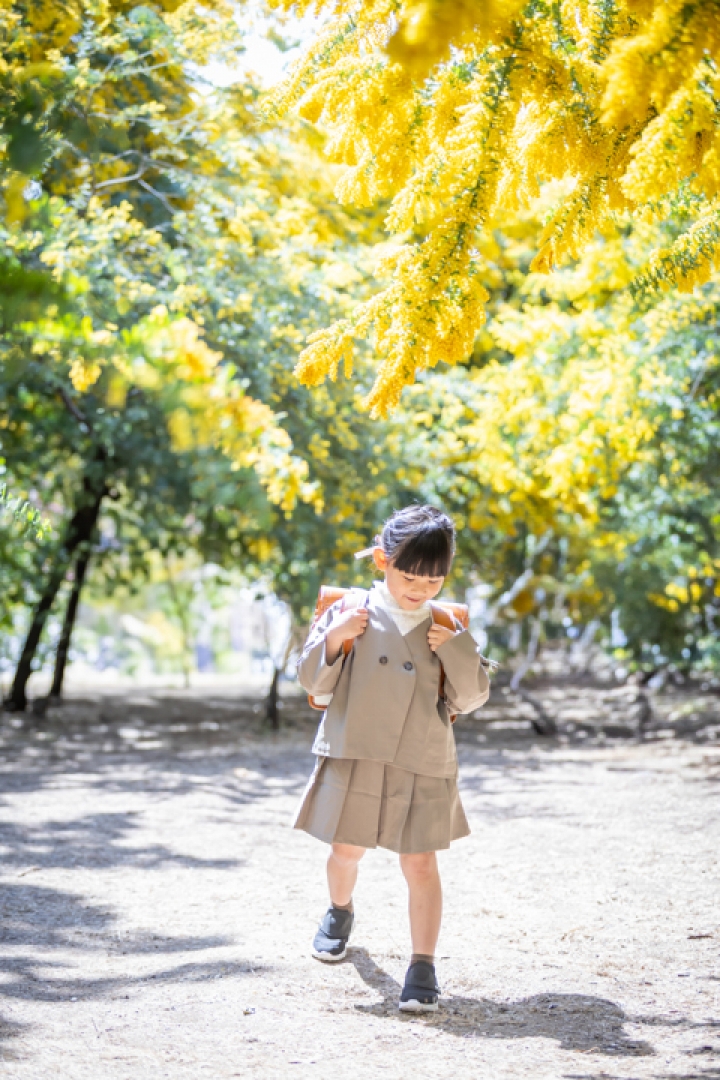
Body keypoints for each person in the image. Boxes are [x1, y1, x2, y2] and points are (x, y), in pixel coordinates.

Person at [294, 504, 491, 1012]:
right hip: (356, 748)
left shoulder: (448, 623)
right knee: (346, 851)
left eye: (434, 579)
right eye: (409, 575)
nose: (421, 589)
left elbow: (468, 699)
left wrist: (458, 650)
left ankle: (422, 966)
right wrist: (337, 638)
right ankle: (340, 910)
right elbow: (313, 684)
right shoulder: (350, 610)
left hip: (421, 756)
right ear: (381, 559)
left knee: (421, 864)